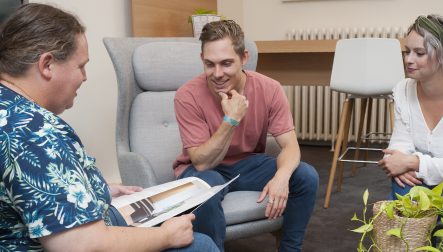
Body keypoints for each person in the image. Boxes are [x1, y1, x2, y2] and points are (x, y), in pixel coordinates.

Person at [0, 3, 218, 251]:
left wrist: (94, 189)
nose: (85, 77)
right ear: (47, 64)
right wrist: (166, 237)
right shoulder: (35, 133)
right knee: (200, 244)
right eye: (81, 65)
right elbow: (81, 246)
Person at [173, 20, 319, 251]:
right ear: (202, 59)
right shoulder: (187, 96)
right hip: (206, 170)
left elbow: (290, 146)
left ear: (244, 57)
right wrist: (231, 120)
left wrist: (281, 177)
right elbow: (201, 163)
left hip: (247, 165)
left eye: (227, 63)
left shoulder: (270, 89)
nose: (217, 74)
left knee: (305, 176)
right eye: (210, 64)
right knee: (205, 190)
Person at [378, 14, 443, 216]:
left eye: (419, 53)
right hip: (421, 181)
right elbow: (400, 143)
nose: (409, 60)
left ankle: (412, 220)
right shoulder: (403, 90)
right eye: (407, 52)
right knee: (405, 190)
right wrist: (401, 163)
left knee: (405, 205)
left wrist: (411, 163)